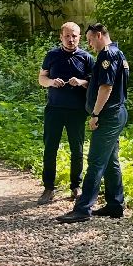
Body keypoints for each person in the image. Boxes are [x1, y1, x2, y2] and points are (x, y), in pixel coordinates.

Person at [56, 22, 129, 223]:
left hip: (109, 115)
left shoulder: (107, 54)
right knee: (110, 160)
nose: (89, 45)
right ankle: (115, 205)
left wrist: (95, 114)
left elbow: (106, 87)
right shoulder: (118, 53)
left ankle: (83, 208)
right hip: (117, 113)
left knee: (96, 161)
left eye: (89, 40)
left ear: (98, 35)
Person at [37, 21, 93, 203]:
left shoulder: (86, 58)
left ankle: (76, 186)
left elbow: (94, 83)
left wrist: (82, 82)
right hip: (54, 109)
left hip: (77, 111)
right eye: (67, 36)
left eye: (74, 36)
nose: (71, 39)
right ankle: (48, 188)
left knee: (76, 149)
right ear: (61, 37)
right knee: (50, 148)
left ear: (80, 37)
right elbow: (41, 78)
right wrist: (52, 82)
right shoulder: (52, 55)